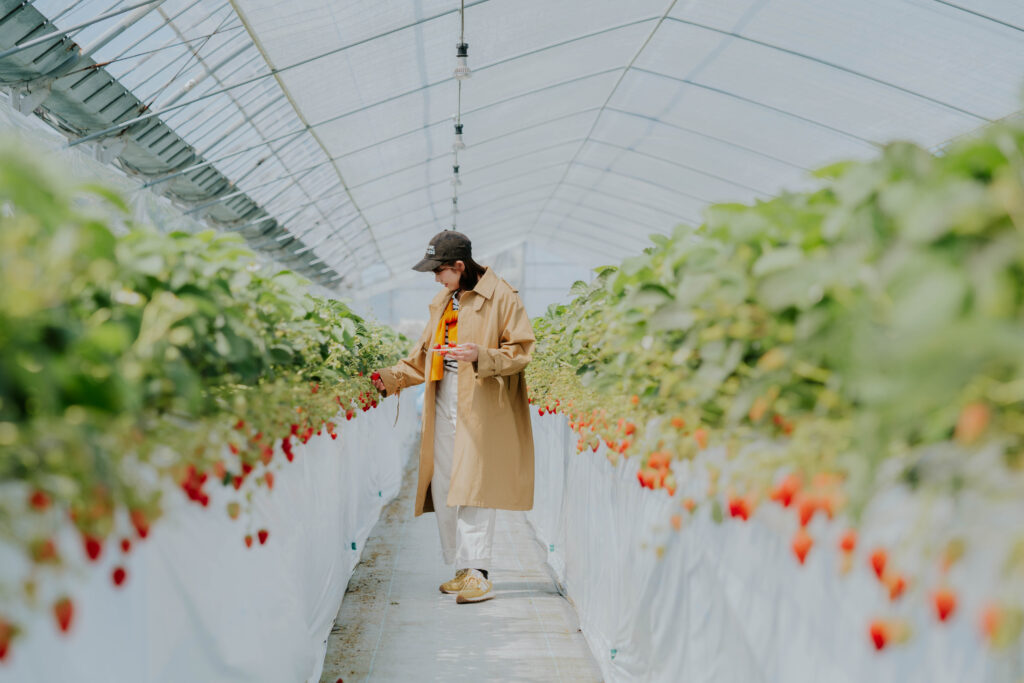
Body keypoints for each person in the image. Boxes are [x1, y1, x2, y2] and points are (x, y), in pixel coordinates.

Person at [371, 230, 535, 604]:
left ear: (460, 266)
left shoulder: (502, 297)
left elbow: (521, 351)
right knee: (444, 484)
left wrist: (481, 355)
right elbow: (423, 354)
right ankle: (462, 568)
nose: (436, 278)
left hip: (481, 401)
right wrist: (387, 379)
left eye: (440, 271)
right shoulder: (445, 300)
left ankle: (479, 572)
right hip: (444, 396)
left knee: (474, 484)